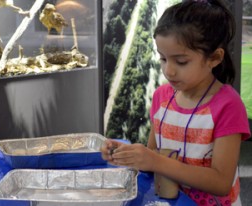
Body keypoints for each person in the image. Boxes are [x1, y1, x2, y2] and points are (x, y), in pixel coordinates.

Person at [100, 0, 251, 205]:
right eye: (163, 59)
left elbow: (221, 182)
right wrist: (128, 155)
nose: (168, 70)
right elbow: (154, 157)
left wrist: (155, 161)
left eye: (181, 61)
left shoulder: (228, 105)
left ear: (214, 58)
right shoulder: (162, 97)